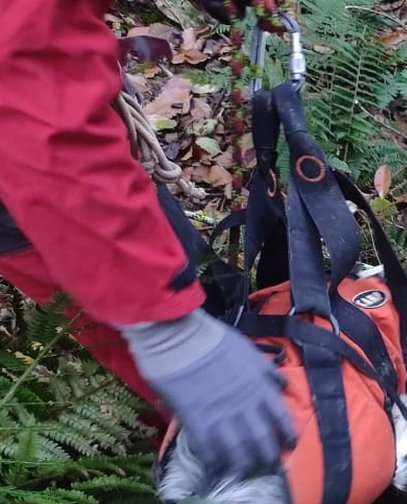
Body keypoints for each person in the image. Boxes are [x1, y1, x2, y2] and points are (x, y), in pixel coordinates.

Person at [0, 0, 294, 476]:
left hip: (36, 138)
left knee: (196, 306)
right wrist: (166, 326)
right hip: (29, 168)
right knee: (178, 339)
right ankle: (213, 469)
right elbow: (33, 105)